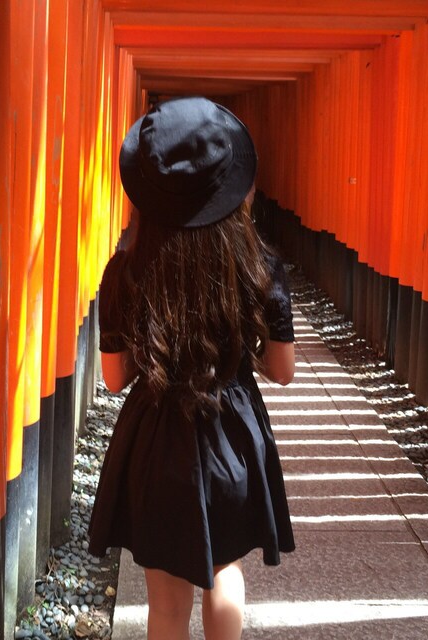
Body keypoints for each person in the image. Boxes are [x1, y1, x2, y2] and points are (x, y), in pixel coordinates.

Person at [88, 96, 295, 640]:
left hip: (157, 444)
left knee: (165, 602)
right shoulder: (260, 267)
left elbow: (114, 378)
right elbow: (283, 370)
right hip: (233, 438)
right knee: (225, 571)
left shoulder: (124, 272)